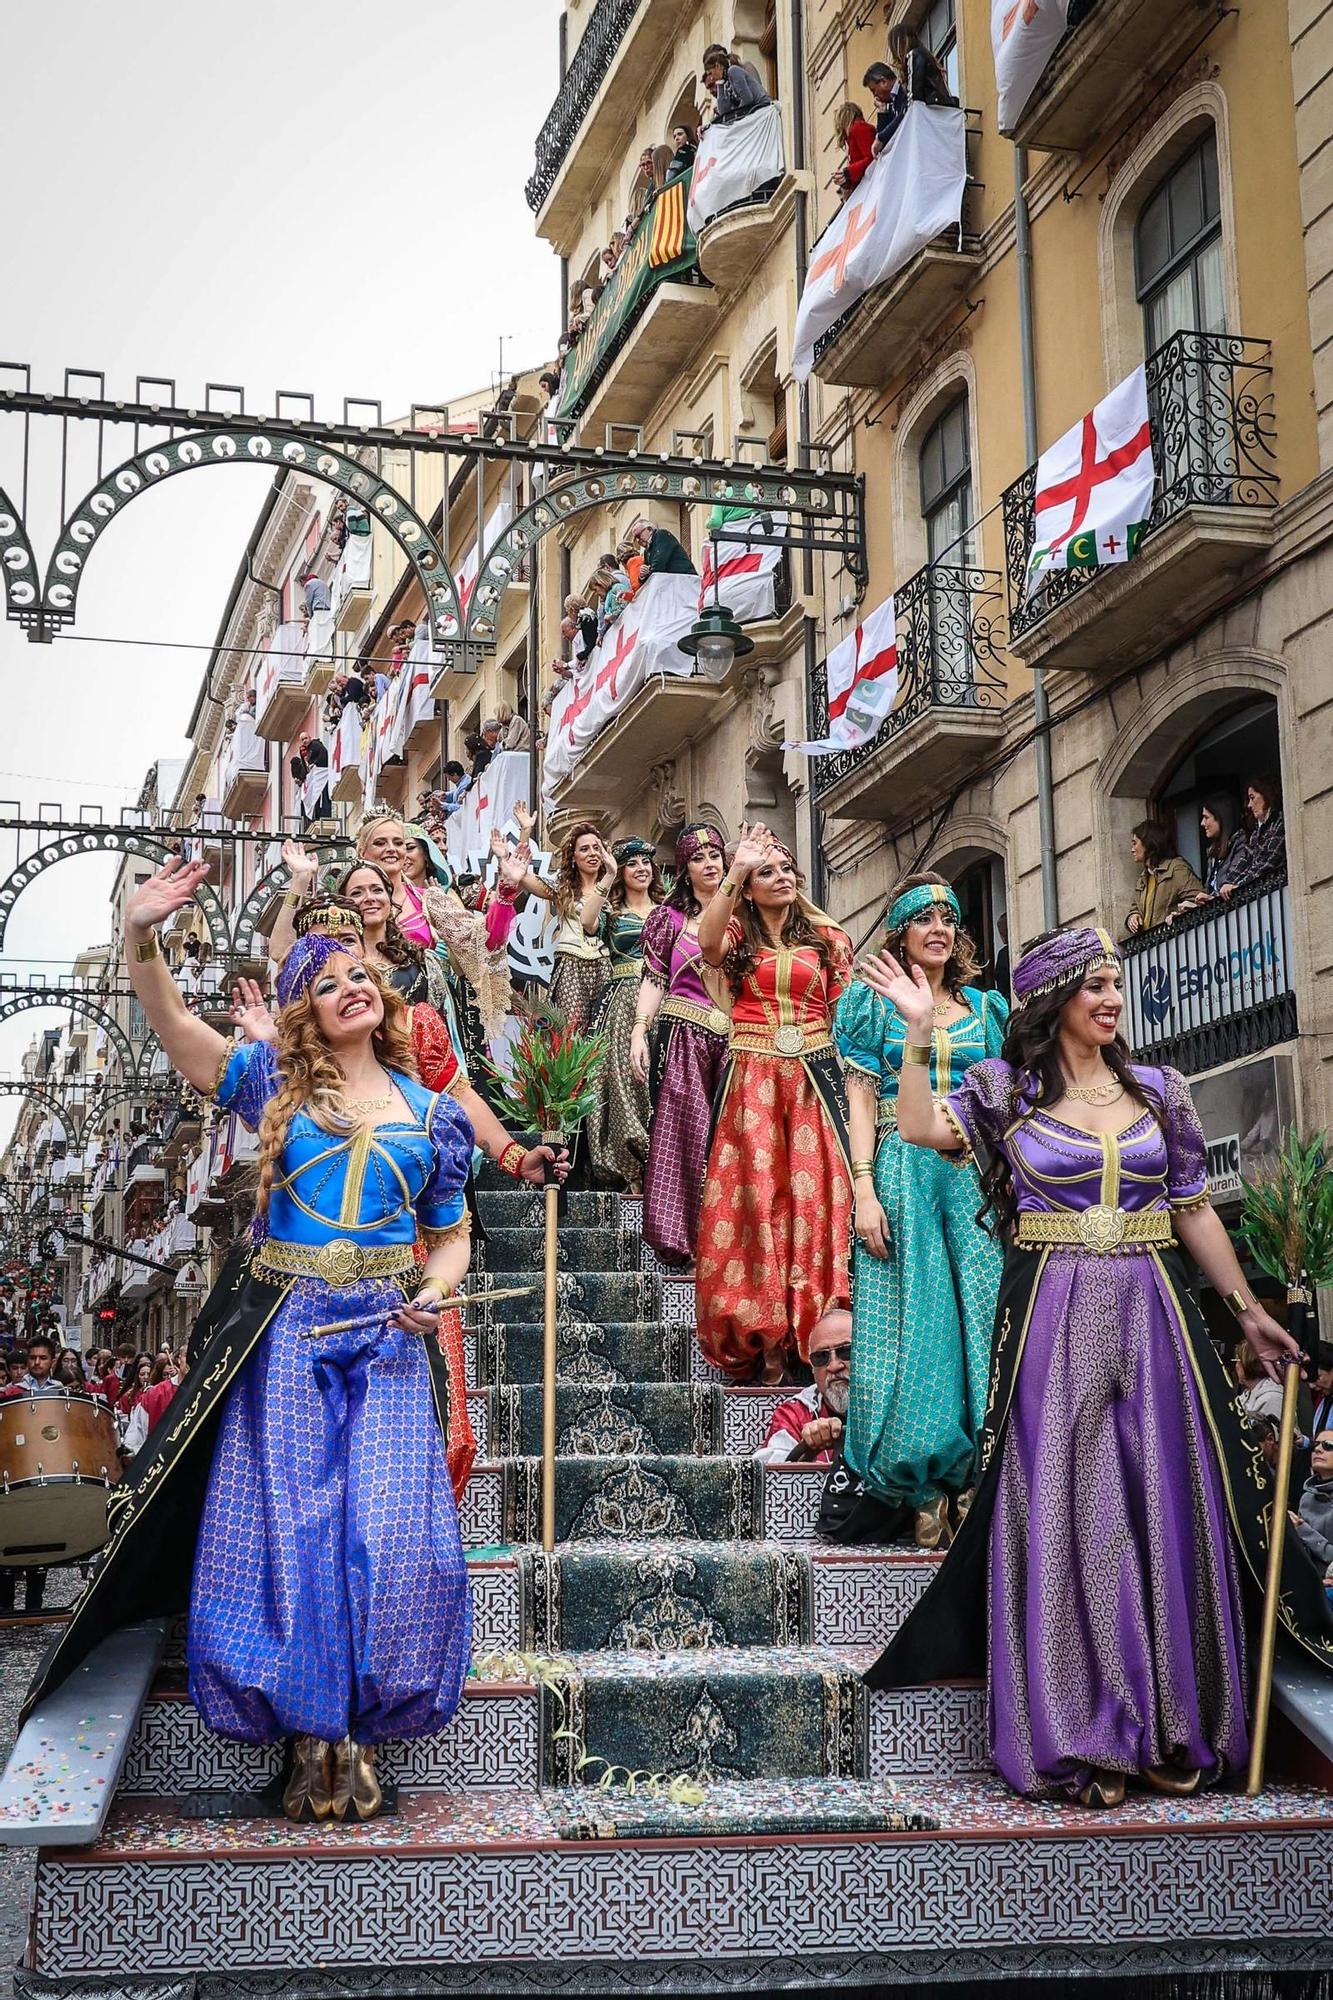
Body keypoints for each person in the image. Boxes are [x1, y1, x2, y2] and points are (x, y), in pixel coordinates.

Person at [25, 854, 477, 1823]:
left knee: (390, 1530)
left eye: (360, 973)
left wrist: (434, 1292)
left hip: (389, 1336)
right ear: (300, 1010)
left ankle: (363, 1724)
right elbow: (175, 1028)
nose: (351, 986)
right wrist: (141, 935)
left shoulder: (435, 1116)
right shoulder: (269, 1082)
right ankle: (310, 1733)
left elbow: (450, 1235)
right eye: (327, 981)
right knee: (291, 1531)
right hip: (286, 1329)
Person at [863, 924, 1333, 1807]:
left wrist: (1247, 1313)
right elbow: (920, 1126)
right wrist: (919, 1032)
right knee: (1077, 1510)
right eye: (1094, 986)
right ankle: (1090, 1729)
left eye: (1115, 985)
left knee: (1166, 1499)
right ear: (1053, 1001)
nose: (1112, 1000)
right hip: (1054, 1313)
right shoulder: (1002, 1090)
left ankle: (1170, 1723)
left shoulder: (1160, 1090)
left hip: (1154, 1311)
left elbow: (1192, 1209)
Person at [834, 877, 1009, 1549]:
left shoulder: (987, 1010)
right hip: (902, 1172)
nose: (938, 929)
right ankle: (924, 1483)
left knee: (982, 1315)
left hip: (972, 1173)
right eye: (923, 919)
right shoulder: (869, 1003)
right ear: (900, 934)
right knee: (920, 1323)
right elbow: (858, 1101)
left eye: (947, 919)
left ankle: (980, 1473)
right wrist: (863, 1190)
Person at [242, 905, 564, 1192]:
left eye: (347, 940)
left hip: (409, 1202)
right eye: (321, 943)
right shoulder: (287, 1045)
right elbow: (258, 1119)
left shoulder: (415, 1025)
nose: (336, 952)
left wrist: (516, 1158)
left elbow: (460, 1097)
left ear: (365, 950)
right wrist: (264, 1055)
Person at [695, 823, 853, 1385]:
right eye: (768, 871)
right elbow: (706, 945)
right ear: (749, 887)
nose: (782, 877)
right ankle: (765, 1339)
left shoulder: (828, 939)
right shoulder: (736, 935)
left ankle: (818, 1331)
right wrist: (736, 869)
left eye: (787, 868)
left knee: (815, 1200)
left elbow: (845, 1014)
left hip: (814, 1078)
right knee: (758, 1200)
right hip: (753, 1080)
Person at [631, 826, 732, 1271]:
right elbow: (654, 979)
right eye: (698, 857)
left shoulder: (745, 916)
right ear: (684, 869)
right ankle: (684, 1241)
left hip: (738, 1040)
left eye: (715, 855)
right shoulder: (669, 919)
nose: (709, 864)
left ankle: (730, 1241)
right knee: (684, 1137)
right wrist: (639, 1030)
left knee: (732, 1138)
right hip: (684, 1038)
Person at [584, 839, 664, 1194]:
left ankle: (664, 1160)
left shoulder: (668, 909)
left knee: (661, 1077)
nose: (641, 868)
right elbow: (587, 922)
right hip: (623, 1002)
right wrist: (608, 874)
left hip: (667, 1000)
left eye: (645, 862)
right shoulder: (611, 913)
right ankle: (631, 1169)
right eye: (632, 863)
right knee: (626, 1080)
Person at [520, 821, 613, 1026]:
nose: (592, 853)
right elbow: (521, 876)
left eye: (596, 848)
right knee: (571, 1030)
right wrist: (525, 831)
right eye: (584, 849)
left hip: (606, 966)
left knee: (604, 1030)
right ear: (573, 857)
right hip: (571, 966)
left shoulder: (614, 889)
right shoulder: (563, 889)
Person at [754, 1311, 852, 1465]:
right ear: (812, 1368)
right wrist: (806, 1452)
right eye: (821, 1357)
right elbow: (771, 1471)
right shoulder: (795, 1414)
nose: (833, 1366)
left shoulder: (892, 1408)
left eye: (846, 1352)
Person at [1123, 820, 1202, 934]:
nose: (1132, 850)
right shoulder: (1143, 878)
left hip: (1174, 939)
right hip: (1153, 943)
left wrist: (1179, 917)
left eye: (1135, 843)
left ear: (1148, 843)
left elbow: (1199, 900)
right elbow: (1136, 907)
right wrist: (1133, 916)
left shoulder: (1176, 868)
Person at [1219, 772, 1286, 897]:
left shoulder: (1280, 822)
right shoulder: (1256, 832)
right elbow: (1244, 863)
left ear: (1267, 794)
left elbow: (1269, 863)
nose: (1249, 805)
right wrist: (1223, 888)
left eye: (1252, 797)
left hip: (1275, 894)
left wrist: (1239, 887)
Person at [1293, 1432, 1333, 1587]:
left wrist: (1302, 1530)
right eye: (1315, 1445)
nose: (1317, 1450)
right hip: (1309, 1582)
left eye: (1328, 1445)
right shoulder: (1307, 1498)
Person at [701, 45, 771, 122]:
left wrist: (736, 114)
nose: (711, 78)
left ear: (717, 65)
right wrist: (720, 84)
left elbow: (748, 98)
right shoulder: (726, 81)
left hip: (761, 113)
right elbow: (724, 112)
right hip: (751, 116)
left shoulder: (734, 70)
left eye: (710, 73)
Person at [833, 101, 875, 196]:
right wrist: (847, 180)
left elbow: (872, 157)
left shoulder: (858, 128)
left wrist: (848, 173)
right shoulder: (854, 133)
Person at [631, 517, 696, 578]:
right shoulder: (646, 551)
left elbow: (659, 562)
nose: (638, 540)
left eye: (638, 535)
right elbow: (649, 572)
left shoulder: (661, 535)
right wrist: (642, 575)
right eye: (635, 539)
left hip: (683, 577)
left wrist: (648, 571)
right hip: (670, 580)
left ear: (649, 529)